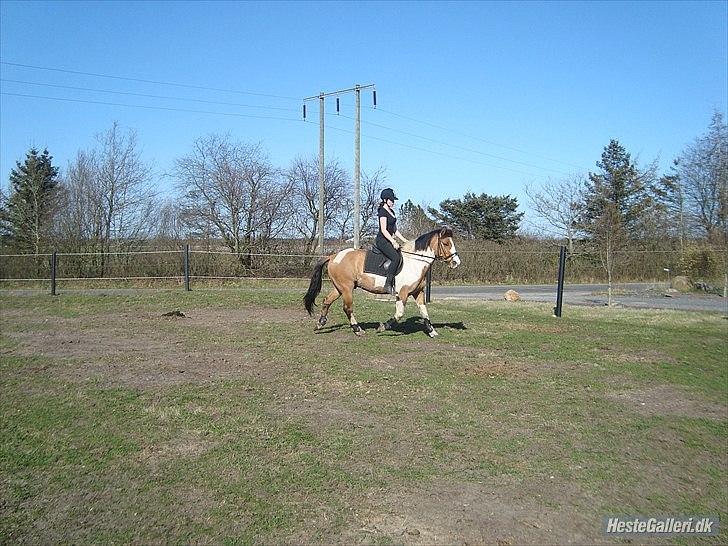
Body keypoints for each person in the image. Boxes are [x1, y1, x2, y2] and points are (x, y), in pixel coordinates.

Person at [375, 188, 408, 295]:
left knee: (402, 255)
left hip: (389, 239)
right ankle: (387, 284)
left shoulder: (392, 212)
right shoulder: (382, 212)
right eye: (391, 200)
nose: (393, 202)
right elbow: (384, 230)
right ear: (385, 200)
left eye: (393, 200)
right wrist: (393, 241)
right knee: (396, 257)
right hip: (382, 240)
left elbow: (395, 230)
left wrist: (404, 240)